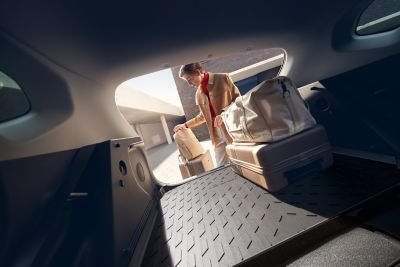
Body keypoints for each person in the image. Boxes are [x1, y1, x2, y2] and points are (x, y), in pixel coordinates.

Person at [173, 62, 240, 167]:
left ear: (198, 72)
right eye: (187, 81)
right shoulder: (198, 95)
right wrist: (184, 125)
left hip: (232, 128)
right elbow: (202, 117)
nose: (190, 84)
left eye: (190, 79)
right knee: (220, 166)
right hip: (215, 134)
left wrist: (224, 113)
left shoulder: (222, 78)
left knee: (241, 160)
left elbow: (238, 100)